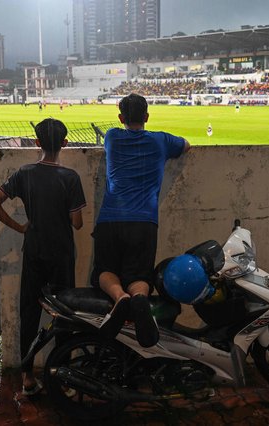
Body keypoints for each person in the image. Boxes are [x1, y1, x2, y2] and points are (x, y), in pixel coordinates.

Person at [0, 118, 86, 395]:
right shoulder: (70, 178)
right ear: (65, 144)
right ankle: (63, 377)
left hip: (34, 251)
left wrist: (20, 227)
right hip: (62, 254)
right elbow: (77, 223)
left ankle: (27, 377)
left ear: (37, 142)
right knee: (65, 314)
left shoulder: (24, 173)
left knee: (29, 313)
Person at [93, 93, 190, 348]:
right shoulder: (160, 140)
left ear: (120, 118)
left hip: (110, 218)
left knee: (105, 270)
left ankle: (120, 297)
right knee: (141, 275)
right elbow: (186, 145)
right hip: (144, 221)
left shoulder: (112, 136)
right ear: (147, 116)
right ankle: (137, 296)